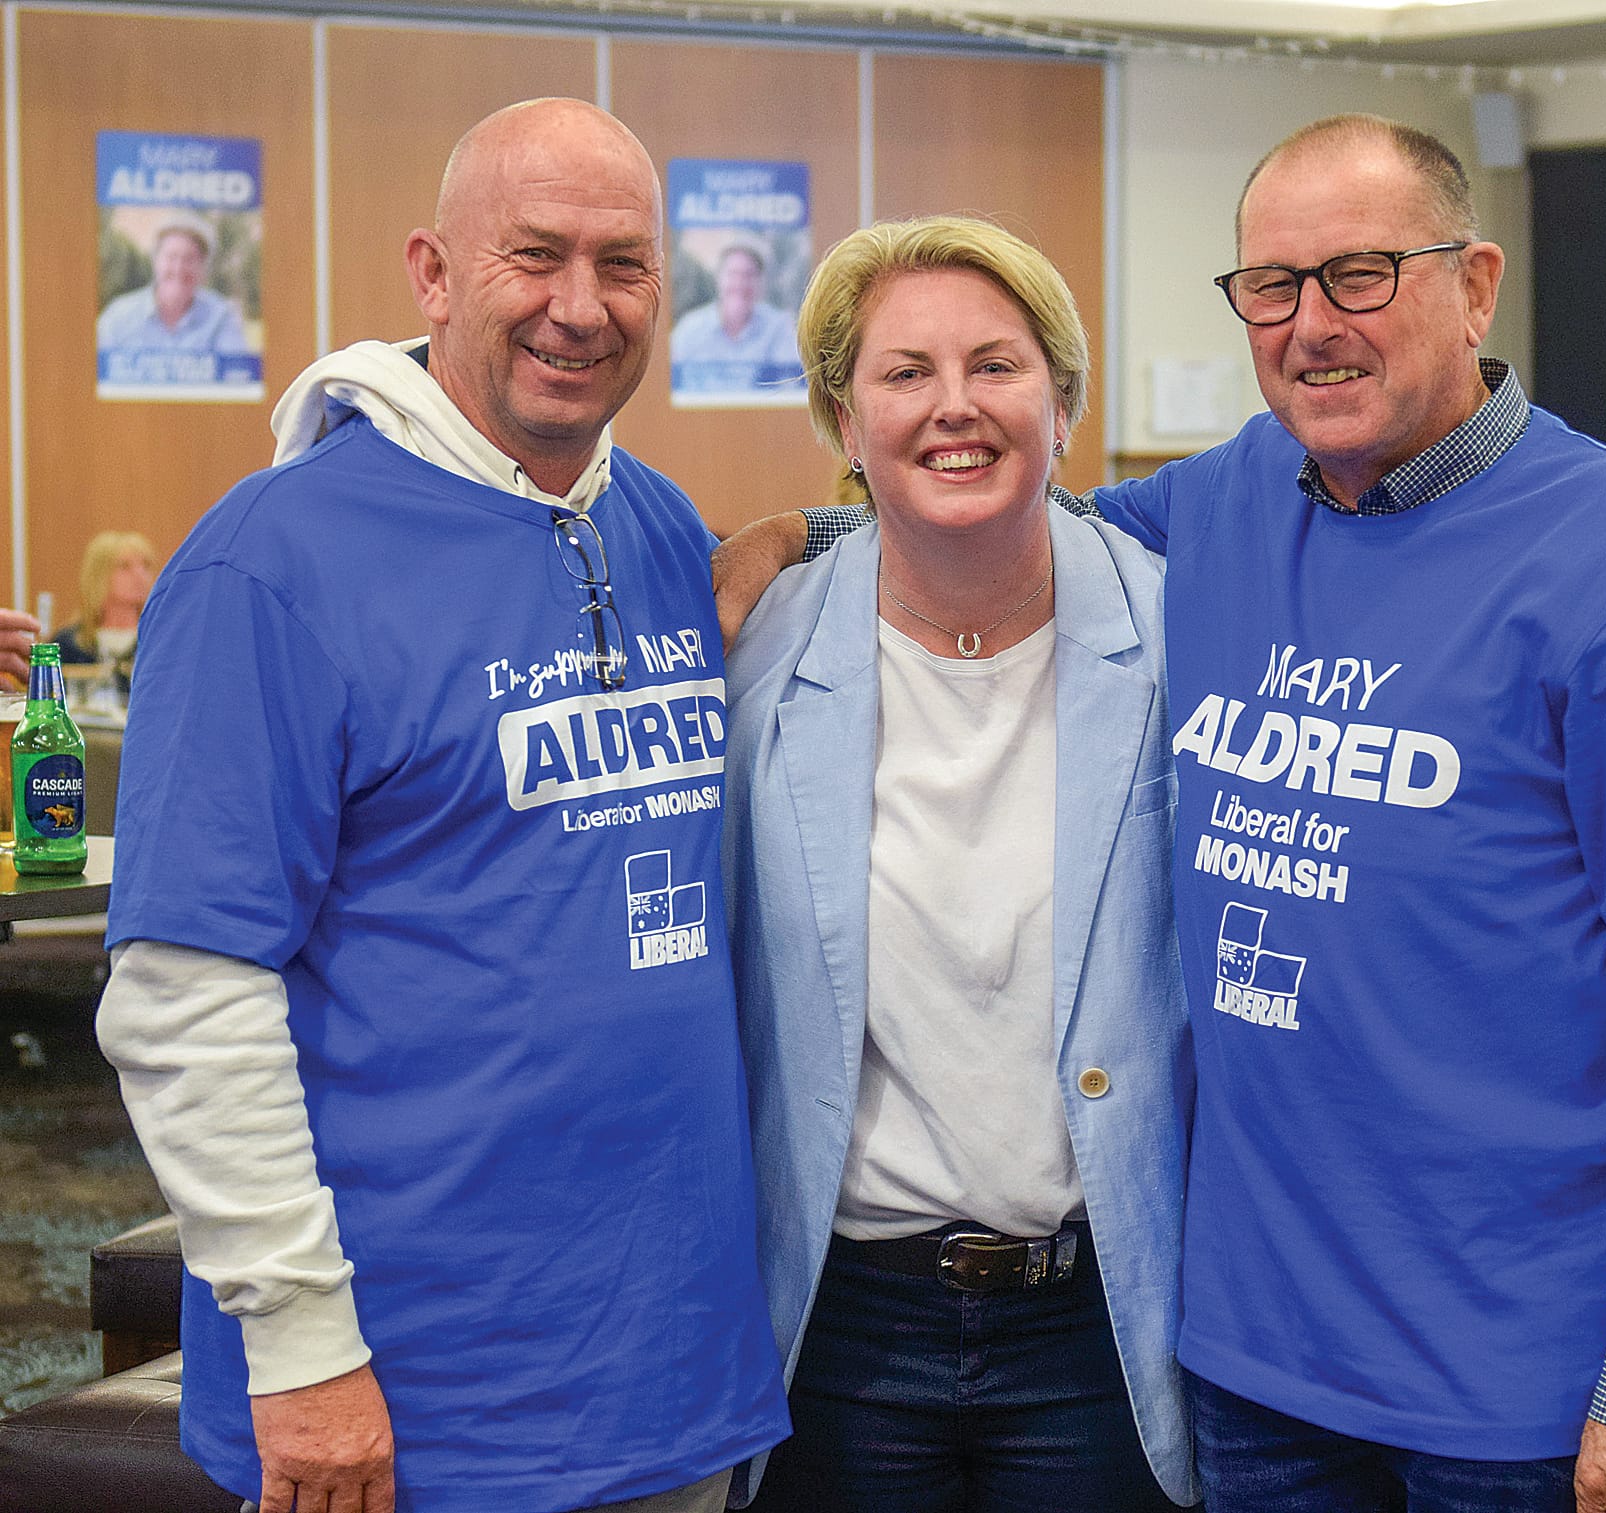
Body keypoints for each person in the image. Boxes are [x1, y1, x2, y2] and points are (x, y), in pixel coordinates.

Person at [714, 114, 1606, 1513]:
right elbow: (1001, 517)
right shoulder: (1234, 503)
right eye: (1273, 286)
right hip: (1249, 1377)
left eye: (1362, 274)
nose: (1313, 324)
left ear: (1476, 284)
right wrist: (785, 544)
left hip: (1522, 1396)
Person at [96, 98, 787, 1513]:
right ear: (431, 272)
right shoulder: (268, 566)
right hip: (408, 1408)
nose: (580, 309)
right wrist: (298, 1348)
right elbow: (185, 990)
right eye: (533, 256)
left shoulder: (653, 524)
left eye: (624, 265)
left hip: (670, 1382)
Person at [723, 216, 1196, 1512]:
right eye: (904, 372)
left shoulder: (1179, 635)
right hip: (843, 1326)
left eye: (996, 365)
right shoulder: (755, 649)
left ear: (1062, 397)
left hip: (1100, 1322)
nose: (954, 408)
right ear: (841, 412)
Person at [96, 210, 250, 357]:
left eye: (189, 259)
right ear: (155, 261)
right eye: (171, 257)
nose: (178, 268)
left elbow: (237, 377)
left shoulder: (221, 317)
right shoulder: (117, 317)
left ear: (203, 268)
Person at [670, 242, 801, 392]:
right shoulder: (689, 329)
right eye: (732, 274)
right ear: (718, 279)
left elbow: (791, 389)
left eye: (748, 275)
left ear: (760, 283)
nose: (739, 283)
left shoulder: (780, 328)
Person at [53, 530, 156, 668]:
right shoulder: (68, 645)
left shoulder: (159, 640)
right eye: (125, 566)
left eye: (146, 566)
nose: (140, 575)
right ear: (98, 576)